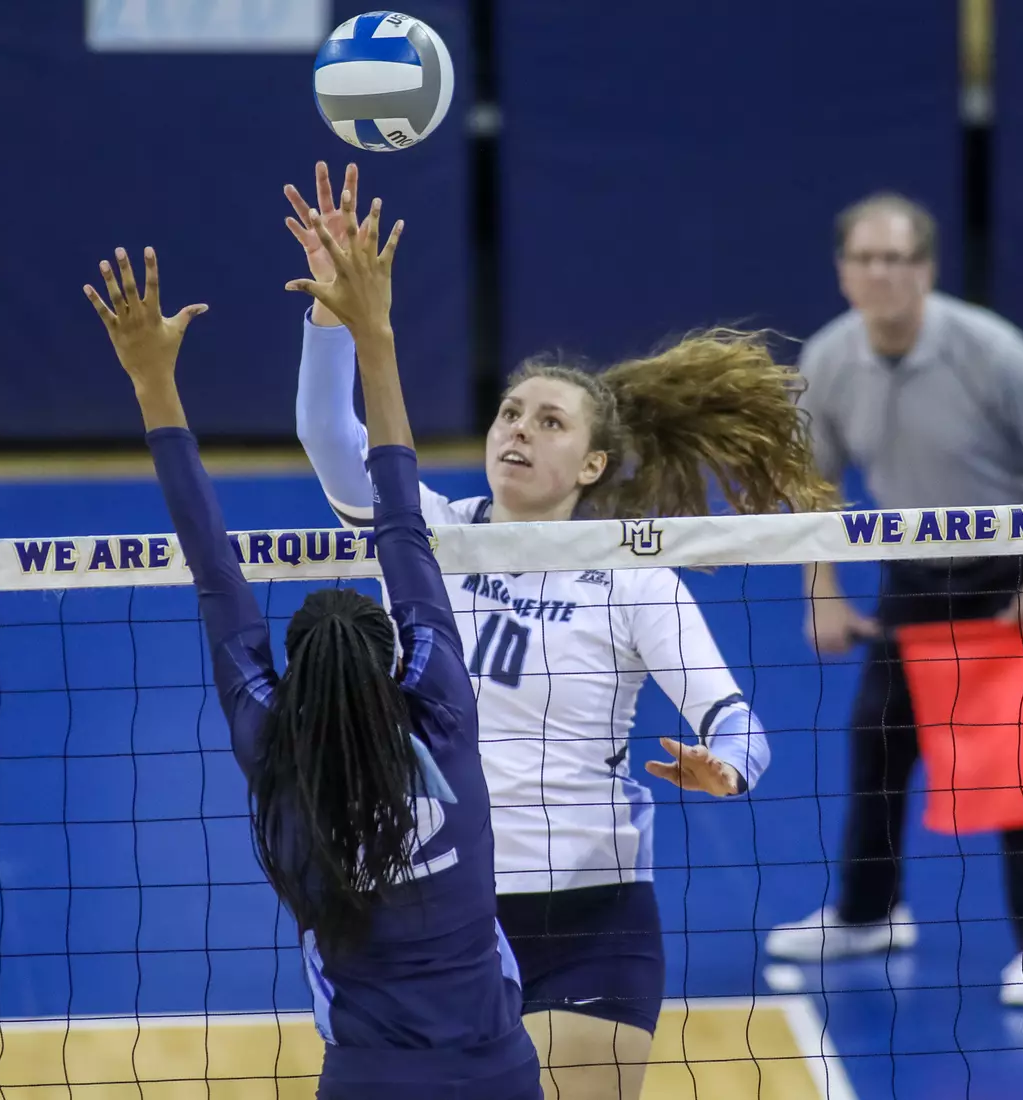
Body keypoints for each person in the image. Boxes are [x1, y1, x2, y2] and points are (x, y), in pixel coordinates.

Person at [284, 163, 836, 1100]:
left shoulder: (633, 579)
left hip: (591, 915)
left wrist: (726, 766)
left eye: (548, 421)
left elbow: (740, 723)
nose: (518, 431)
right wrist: (333, 315)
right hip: (444, 908)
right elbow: (330, 437)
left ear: (592, 462)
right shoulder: (431, 534)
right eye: (510, 412)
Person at [86, 229, 541, 1099]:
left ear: (294, 680)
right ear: (395, 663)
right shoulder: (443, 711)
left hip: (368, 1080)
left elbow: (212, 562)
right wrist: (374, 331)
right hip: (497, 1073)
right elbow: (399, 517)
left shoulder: (276, 754)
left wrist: (151, 381)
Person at [763, 193, 1023, 1008]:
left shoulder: (989, 350)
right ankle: (867, 913)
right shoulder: (831, 358)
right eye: (866, 259)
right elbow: (813, 481)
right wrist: (824, 593)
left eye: (899, 259)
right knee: (877, 744)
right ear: (844, 272)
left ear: (927, 269)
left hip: (1009, 572)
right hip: (913, 577)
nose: (882, 274)